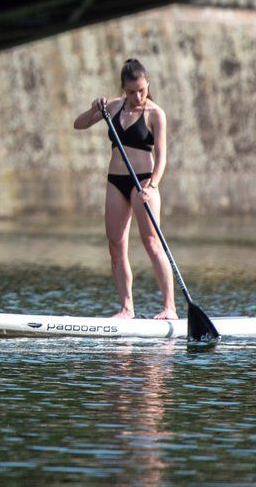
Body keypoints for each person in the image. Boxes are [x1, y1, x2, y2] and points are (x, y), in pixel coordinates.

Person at [73, 59, 178, 320]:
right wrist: (92, 109)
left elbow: (162, 157)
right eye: (132, 91)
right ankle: (127, 308)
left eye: (141, 90)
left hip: (143, 182)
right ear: (124, 88)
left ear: (148, 85)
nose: (137, 96)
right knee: (115, 246)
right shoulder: (114, 107)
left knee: (152, 243)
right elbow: (80, 124)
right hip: (115, 181)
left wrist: (152, 185)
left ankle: (170, 308)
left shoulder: (155, 114)